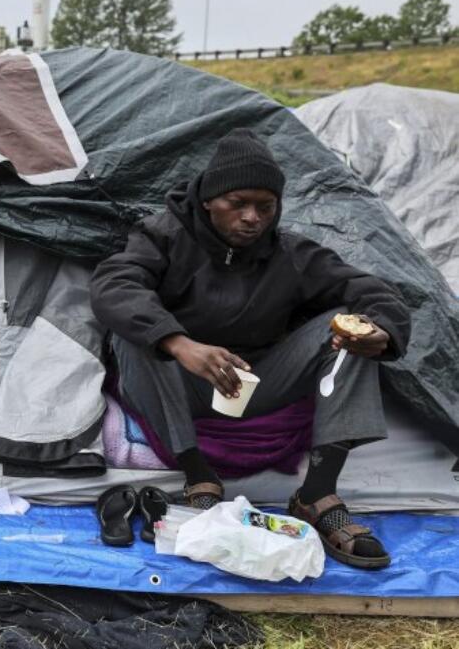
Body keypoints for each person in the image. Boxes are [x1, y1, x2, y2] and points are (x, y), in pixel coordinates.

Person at [90, 128, 410, 570]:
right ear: (208, 199)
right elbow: (113, 285)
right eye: (236, 203)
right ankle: (198, 473)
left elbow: (373, 289)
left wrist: (382, 332)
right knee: (131, 330)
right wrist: (179, 343)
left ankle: (317, 493)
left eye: (265, 206)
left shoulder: (291, 253)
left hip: (255, 382)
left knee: (350, 332)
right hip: (181, 384)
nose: (251, 218)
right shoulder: (163, 235)